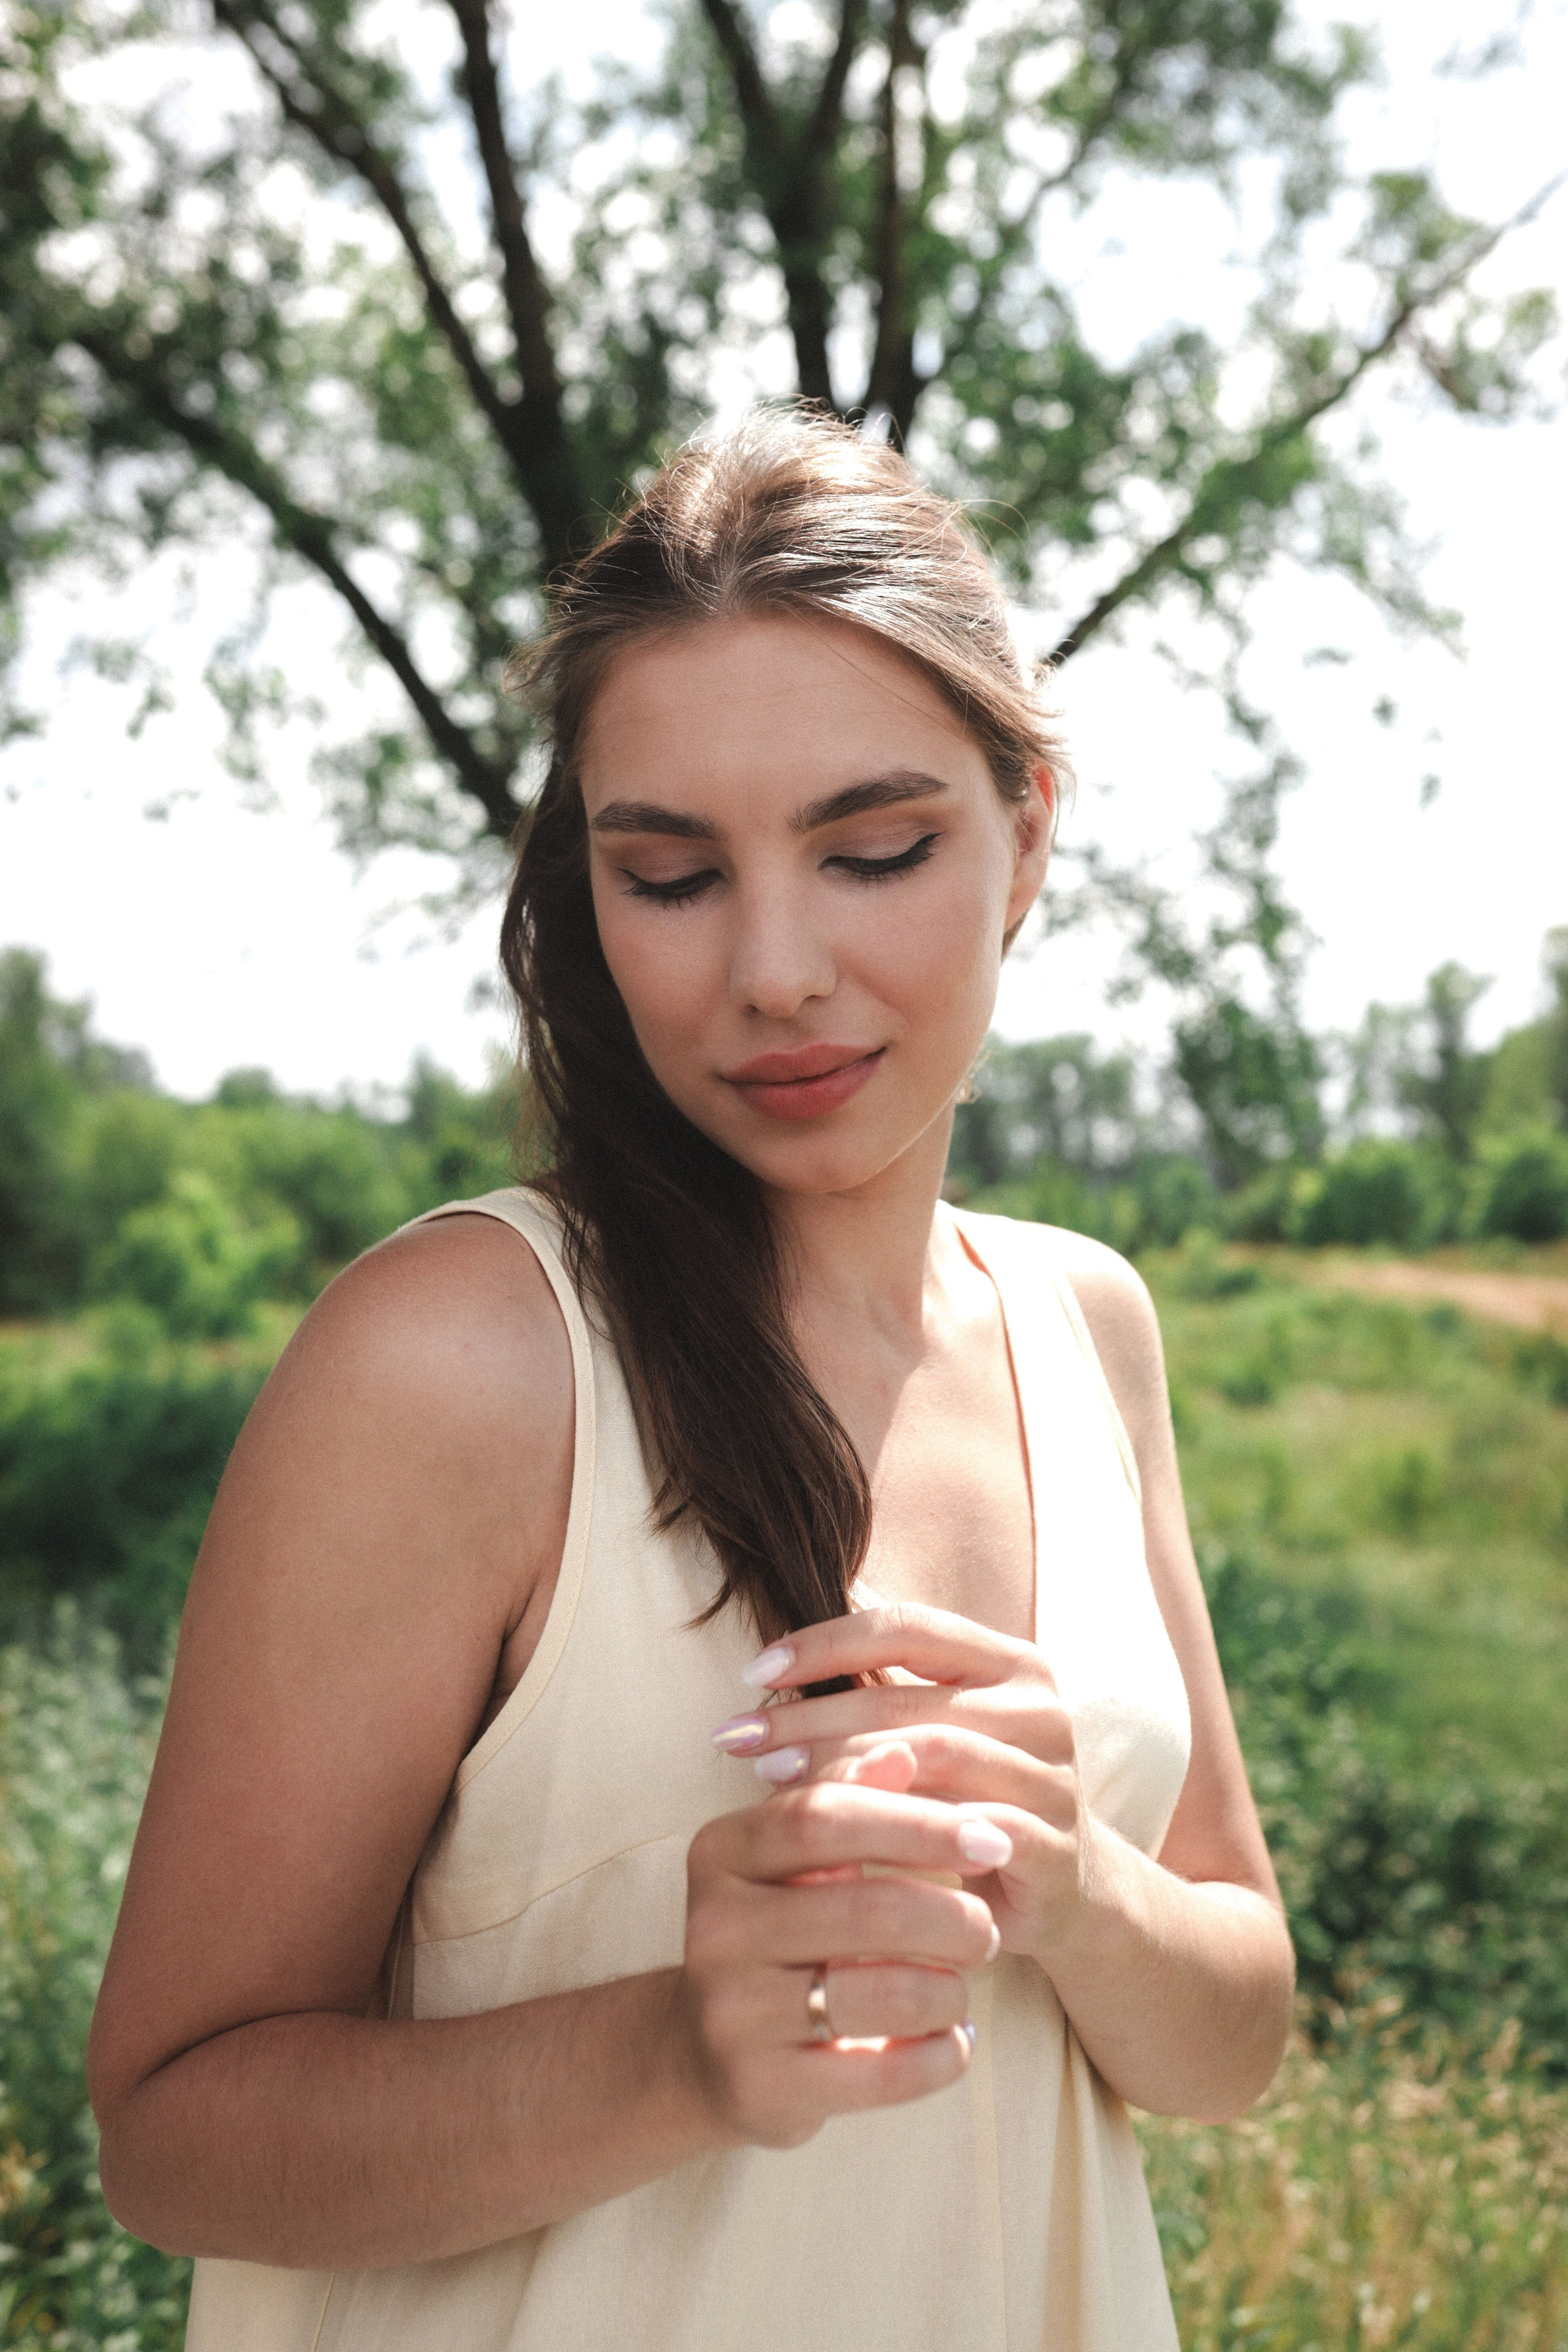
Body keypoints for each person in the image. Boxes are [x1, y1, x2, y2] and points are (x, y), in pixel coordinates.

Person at [88, 409, 1294, 2352]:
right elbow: (170, 2133)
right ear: (590, 888)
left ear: (1029, 838)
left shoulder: (1092, 1326)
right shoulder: (460, 1362)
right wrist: (676, 2052)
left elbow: (1230, 2037)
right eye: (671, 878)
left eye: (876, 849)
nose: (778, 969)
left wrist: (1075, 1892)